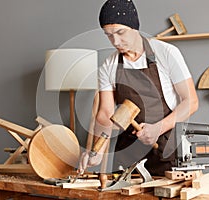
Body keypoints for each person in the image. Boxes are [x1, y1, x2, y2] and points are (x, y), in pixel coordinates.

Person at [78, 0, 198, 177]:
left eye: (120, 32)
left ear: (135, 27)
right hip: (128, 154)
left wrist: (157, 128)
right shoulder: (108, 66)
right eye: (108, 35)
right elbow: (105, 114)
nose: (115, 41)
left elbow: (191, 102)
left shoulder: (165, 53)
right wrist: (97, 152)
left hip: (166, 151)